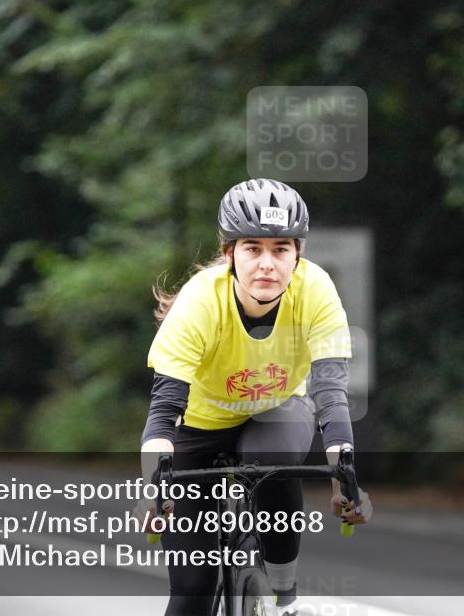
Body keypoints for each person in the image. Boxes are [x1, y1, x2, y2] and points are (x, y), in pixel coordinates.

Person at [134, 178, 372, 616]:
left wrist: (345, 479)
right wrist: (155, 486)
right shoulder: (200, 303)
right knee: (191, 590)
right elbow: (164, 410)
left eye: (281, 249)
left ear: (297, 254)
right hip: (199, 429)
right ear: (229, 254)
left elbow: (331, 395)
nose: (267, 263)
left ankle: (284, 594)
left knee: (273, 457)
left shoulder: (316, 291)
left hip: (276, 413)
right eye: (252, 248)